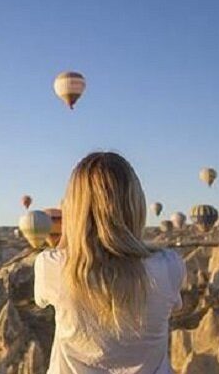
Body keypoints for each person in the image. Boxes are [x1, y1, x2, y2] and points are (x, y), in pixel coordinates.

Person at [34, 152, 186, 374]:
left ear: (74, 209)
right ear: (135, 205)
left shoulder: (52, 267)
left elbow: (42, 299)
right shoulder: (168, 266)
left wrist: (68, 232)